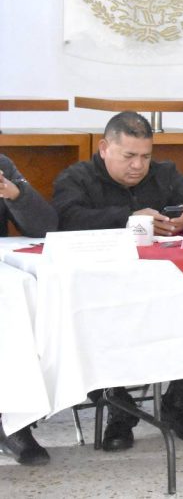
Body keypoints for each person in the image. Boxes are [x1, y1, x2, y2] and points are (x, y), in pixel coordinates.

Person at [51, 112, 183, 451]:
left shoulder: (165, 174)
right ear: (104, 148)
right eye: (129, 156)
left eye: (145, 156)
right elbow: (65, 220)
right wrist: (127, 220)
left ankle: (178, 400)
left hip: (166, 287)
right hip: (101, 292)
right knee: (77, 320)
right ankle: (118, 407)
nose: (138, 165)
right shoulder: (76, 178)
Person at [0, 155, 58, 466]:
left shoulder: (3, 165)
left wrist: (15, 194)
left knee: (21, 297)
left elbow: (44, 226)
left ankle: (12, 422)